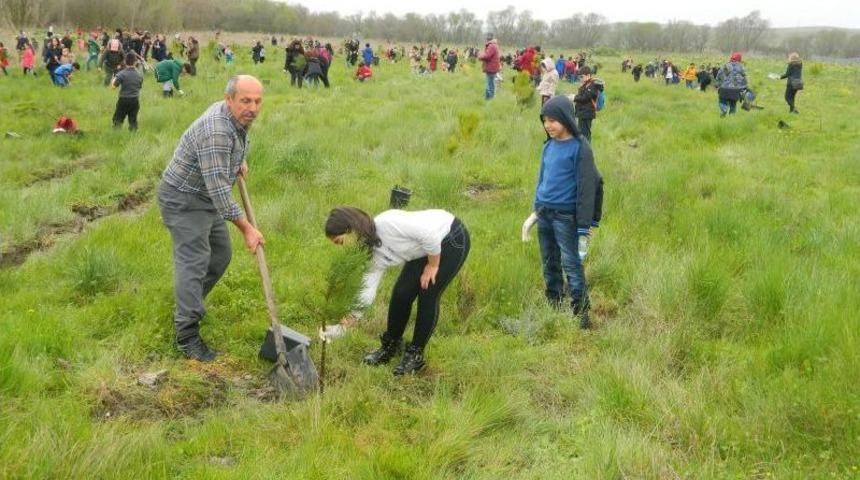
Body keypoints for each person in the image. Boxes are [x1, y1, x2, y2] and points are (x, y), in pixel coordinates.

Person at [157, 75, 265, 361]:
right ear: (229, 99)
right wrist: (247, 228)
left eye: (257, 101)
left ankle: (187, 302)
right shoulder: (217, 131)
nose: (252, 107)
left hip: (204, 197)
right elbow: (218, 189)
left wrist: (237, 159)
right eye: (245, 101)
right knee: (194, 261)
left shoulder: (234, 118)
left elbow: (231, 146)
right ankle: (186, 335)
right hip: (184, 199)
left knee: (220, 256)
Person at [320, 207, 471, 376]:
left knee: (427, 293)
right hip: (422, 249)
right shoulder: (370, 252)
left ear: (352, 229)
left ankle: (415, 355)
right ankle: (390, 346)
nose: (341, 248)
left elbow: (430, 235)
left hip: (449, 238)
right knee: (401, 294)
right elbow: (365, 294)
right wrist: (342, 328)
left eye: (340, 242)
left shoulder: (388, 223)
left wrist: (433, 265)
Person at [531, 95, 602, 329]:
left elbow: (587, 188)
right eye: (544, 120)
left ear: (565, 119)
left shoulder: (580, 148)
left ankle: (581, 312)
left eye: (553, 120)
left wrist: (585, 225)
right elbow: (542, 179)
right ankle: (554, 302)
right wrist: (535, 209)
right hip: (544, 213)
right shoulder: (548, 146)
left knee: (571, 264)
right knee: (549, 261)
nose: (548, 125)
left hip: (566, 218)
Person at [111, 53, 143, 131]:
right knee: (133, 120)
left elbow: (113, 87)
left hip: (123, 100)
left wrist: (113, 79)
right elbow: (139, 87)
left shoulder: (121, 74)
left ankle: (116, 135)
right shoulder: (140, 75)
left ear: (125, 62)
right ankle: (133, 136)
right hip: (135, 100)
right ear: (135, 62)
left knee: (118, 119)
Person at [572, 66, 602, 142]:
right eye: (579, 77)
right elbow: (582, 95)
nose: (580, 79)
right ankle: (584, 149)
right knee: (582, 133)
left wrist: (574, 97)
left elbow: (585, 97)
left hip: (587, 113)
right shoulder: (586, 84)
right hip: (583, 112)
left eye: (582, 76)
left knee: (585, 134)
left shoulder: (593, 85)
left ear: (588, 75)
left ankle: (586, 151)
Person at [715, 52, 747, 117]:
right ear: (739, 59)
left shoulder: (725, 66)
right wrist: (743, 89)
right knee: (733, 104)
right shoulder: (741, 67)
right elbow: (744, 79)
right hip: (736, 90)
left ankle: (724, 110)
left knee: (722, 101)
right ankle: (732, 116)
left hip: (725, 88)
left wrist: (717, 85)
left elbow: (719, 76)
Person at [478, 33, 501, 100]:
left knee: (489, 85)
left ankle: (489, 99)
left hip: (491, 68)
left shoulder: (491, 46)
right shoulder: (494, 45)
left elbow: (487, 56)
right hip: (492, 67)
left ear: (488, 39)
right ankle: (489, 98)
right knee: (491, 84)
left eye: (487, 39)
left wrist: (480, 56)